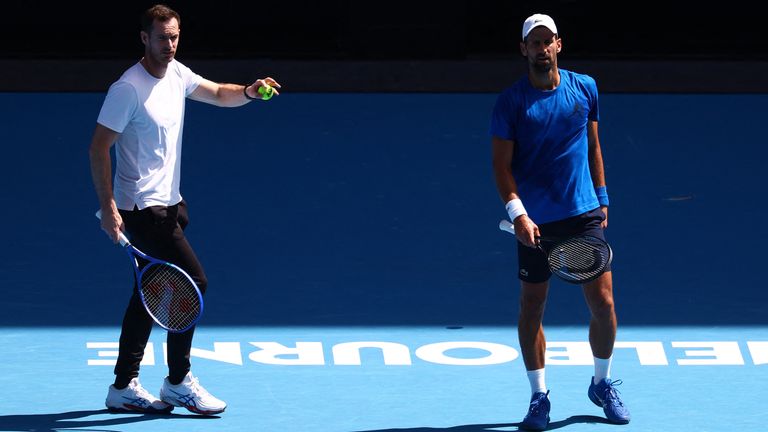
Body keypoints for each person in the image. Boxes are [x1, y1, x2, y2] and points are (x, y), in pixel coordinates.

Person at [89, 4, 280, 415]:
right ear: (144, 38)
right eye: (161, 38)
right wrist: (108, 208)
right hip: (143, 208)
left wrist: (248, 92)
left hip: (172, 204)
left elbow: (214, 92)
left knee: (149, 294)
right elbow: (98, 147)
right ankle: (178, 381)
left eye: (174, 37)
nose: (169, 45)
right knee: (194, 282)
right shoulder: (128, 89)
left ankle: (123, 386)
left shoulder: (176, 73)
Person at [490, 13, 630, 430]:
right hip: (535, 221)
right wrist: (518, 214)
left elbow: (593, 143)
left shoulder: (584, 87)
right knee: (532, 306)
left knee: (603, 304)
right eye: (534, 42)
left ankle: (601, 385)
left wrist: (602, 199)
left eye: (547, 40)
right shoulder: (510, 102)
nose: (541, 48)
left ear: (558, 44)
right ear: (524, 50)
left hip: (584, 212)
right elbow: (501, 168)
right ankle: (538, 397)